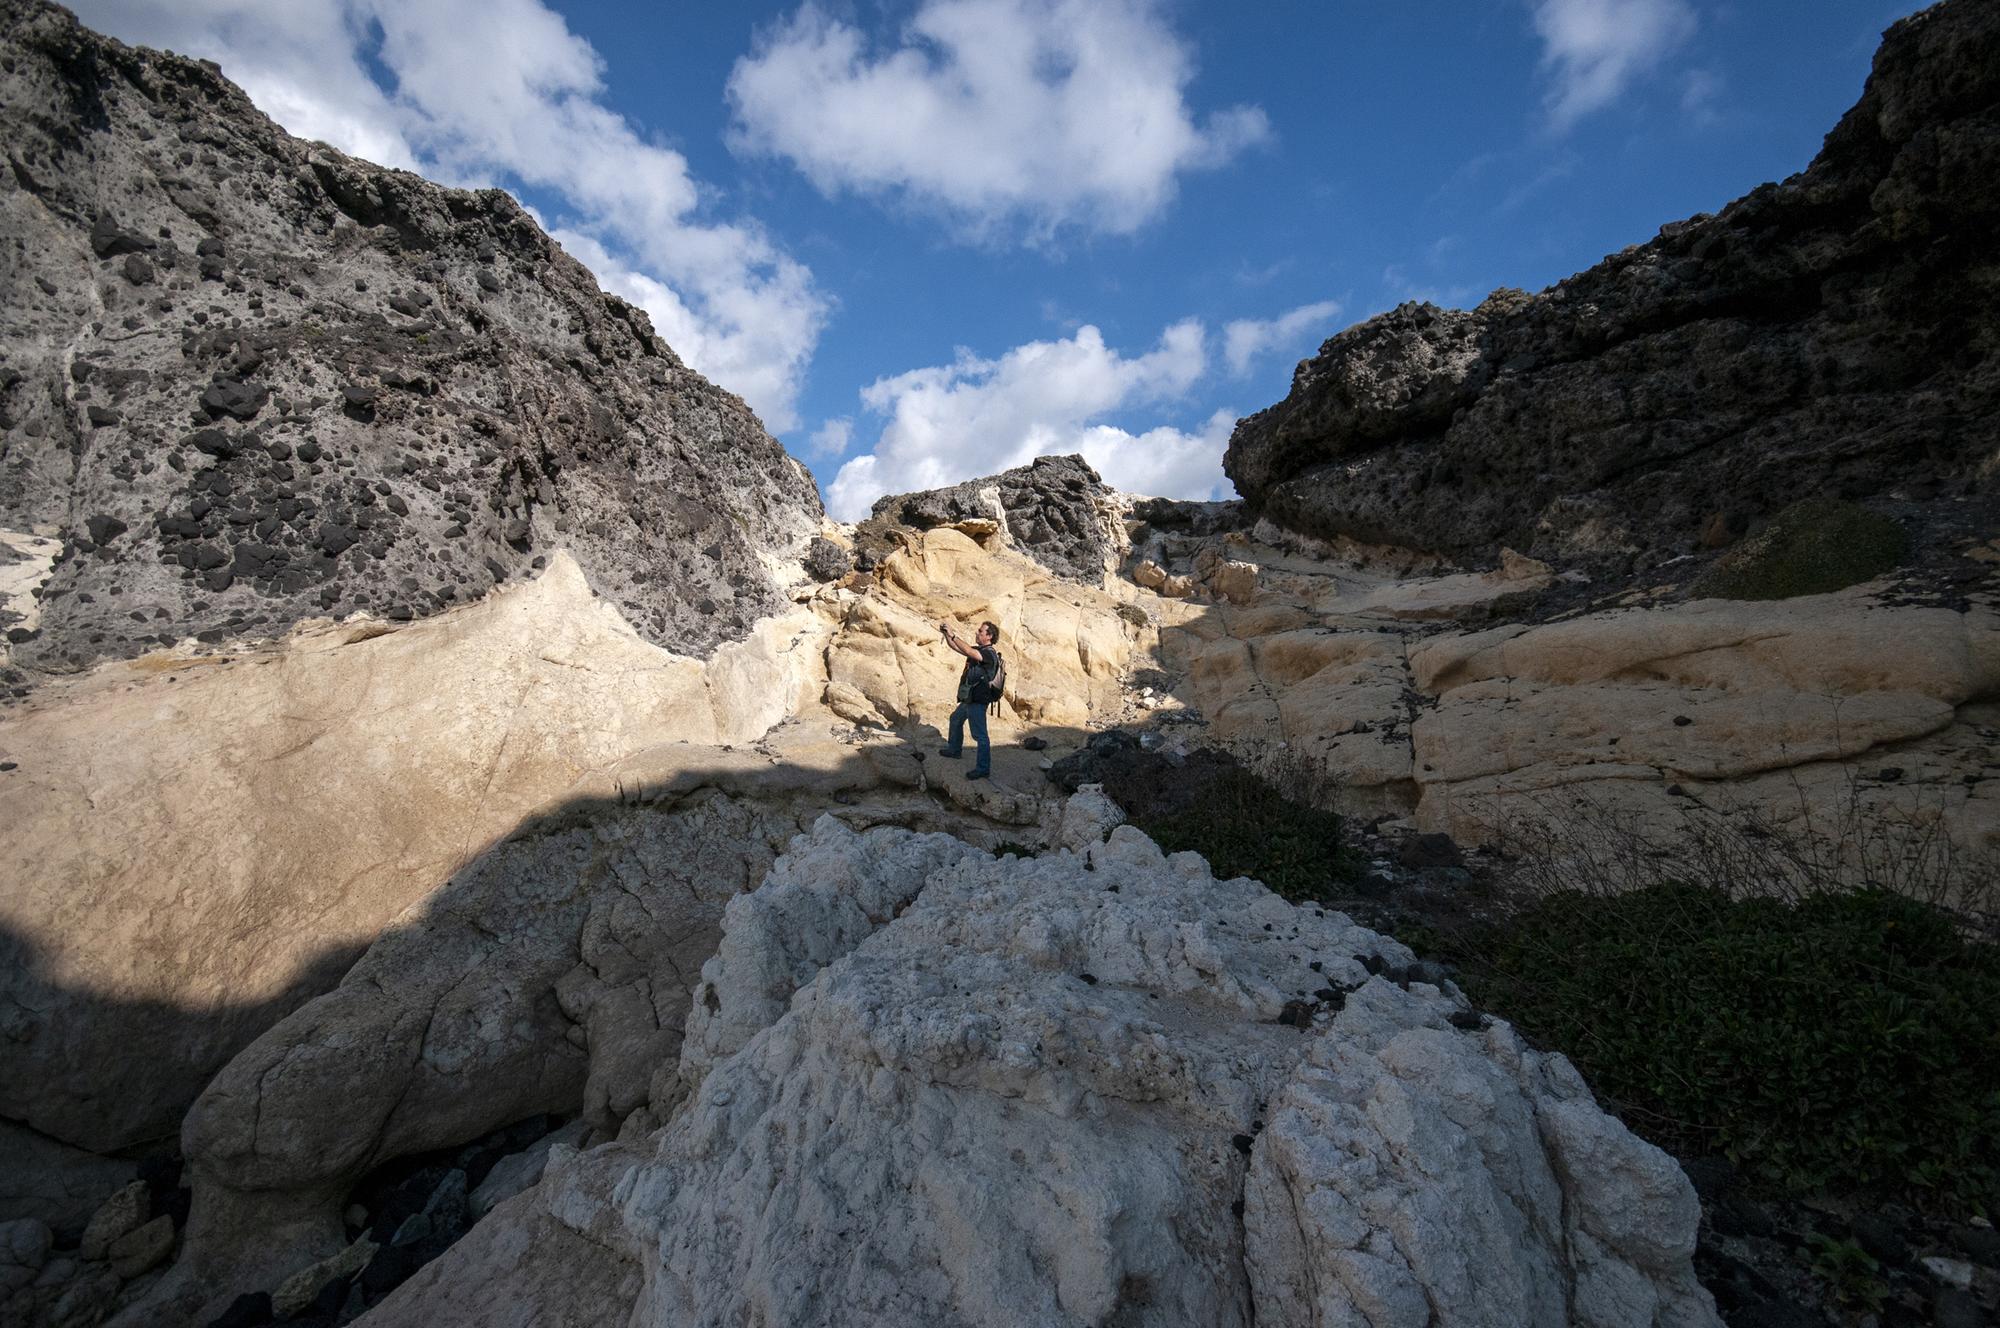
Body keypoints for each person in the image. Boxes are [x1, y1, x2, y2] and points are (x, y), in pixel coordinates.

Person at [938, 619, 999, 779]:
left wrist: (953, 634)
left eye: (981, 631)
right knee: (956, 719)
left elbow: (970, 652)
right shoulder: (979, 650)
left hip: (978, 700)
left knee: (980, 735)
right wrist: (946, 634)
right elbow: (957, 647)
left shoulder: (989, 654)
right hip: (970, 698)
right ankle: (954, 750)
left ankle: (983, 769)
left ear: (989, 636)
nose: (977, 633)